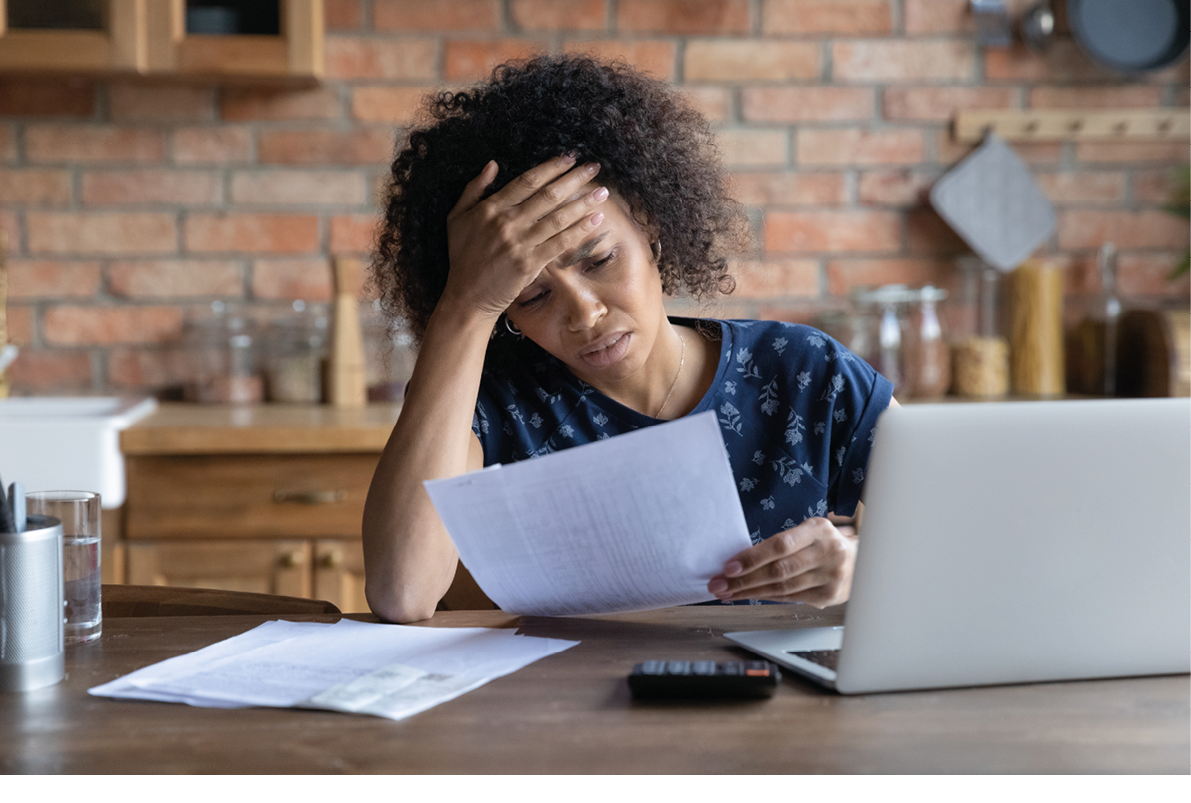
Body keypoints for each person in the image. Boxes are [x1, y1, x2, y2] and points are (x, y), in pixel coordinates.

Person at [363, 54, 896, 624]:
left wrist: (858, 564)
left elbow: (973, 538)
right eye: (532, 296)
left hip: (779, 704)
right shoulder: (490, 404)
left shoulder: (806, 374)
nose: (585, 314)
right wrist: (465, 305)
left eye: (599, 259)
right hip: (567, 707)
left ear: (650, 228)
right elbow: (403, 591)